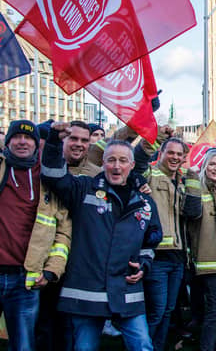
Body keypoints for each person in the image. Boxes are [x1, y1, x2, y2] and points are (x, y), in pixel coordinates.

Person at [41, 124, 162, 351]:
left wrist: (144, 265)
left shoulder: (145, 202)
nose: (117, 166)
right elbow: (53, 176)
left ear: (132, 166)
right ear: (102, 163)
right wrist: (54, 142)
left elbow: (152, 239)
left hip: (127, 290)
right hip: (87, 291)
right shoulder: (84, 189)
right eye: (111, 160)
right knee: (85, 347)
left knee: (143, 345)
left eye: (123, 161)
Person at [0, 120, 71, 350]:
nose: (22, 141)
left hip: (25, 279)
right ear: (7, 142)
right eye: (16, 137)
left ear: (35, 143)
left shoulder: (49, 178)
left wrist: (52, 270)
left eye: (28, 137)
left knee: (23, 346)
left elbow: (63, 231)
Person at [135, 133, 202, 351]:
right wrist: (150, 141)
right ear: (161, 153)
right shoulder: (151, 175)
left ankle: (157, 346)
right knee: (157, 310)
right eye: (170, 152)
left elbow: (192, 213)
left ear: (184, 158)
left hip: (178, 255)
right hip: (157, 255)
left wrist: (192, 178)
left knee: (168, 309)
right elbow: (138, 166)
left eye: (179, 154)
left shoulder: (182, 180)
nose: (174, 157)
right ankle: (143, 347)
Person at [37, 121, 101, 351]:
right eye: (73, 138)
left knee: (69, 325)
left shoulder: (96, 174)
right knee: (44, 324)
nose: (79, 144)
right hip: (44, 258)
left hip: (77, 259)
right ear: (63, 139)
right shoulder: (43, 165)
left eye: (84, 140)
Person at [188, 148, 216, 351]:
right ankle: (206, 346)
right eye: (212, 164)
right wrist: (191, 181)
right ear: (205, 166)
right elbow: (191, 215)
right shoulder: (196, 188)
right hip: (210, 258)